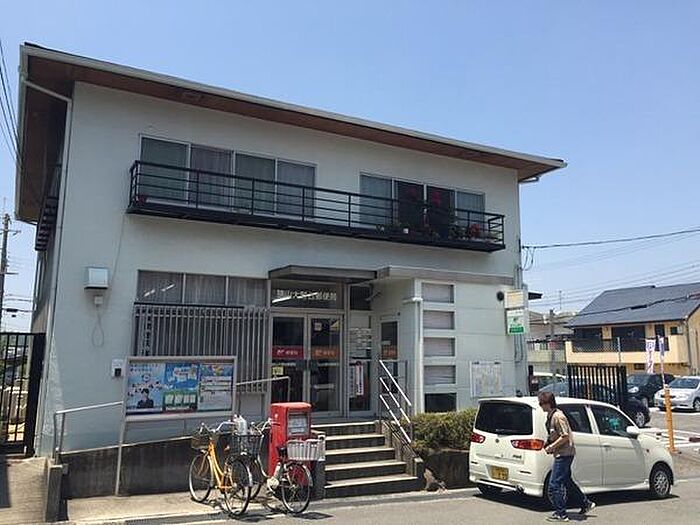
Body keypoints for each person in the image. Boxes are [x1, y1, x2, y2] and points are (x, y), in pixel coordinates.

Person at [538, 391, 595, 522]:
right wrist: (548, 443)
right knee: (566, 481)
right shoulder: (550, 416)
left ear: (548, 403)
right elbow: (554, 434)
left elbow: (565, 436)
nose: (540, 406)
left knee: (554, 484)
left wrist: (552, 447)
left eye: (542, 403)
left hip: (564, 454)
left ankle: (561, 513)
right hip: (561, 453)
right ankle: (585, 503)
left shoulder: (558, 416)